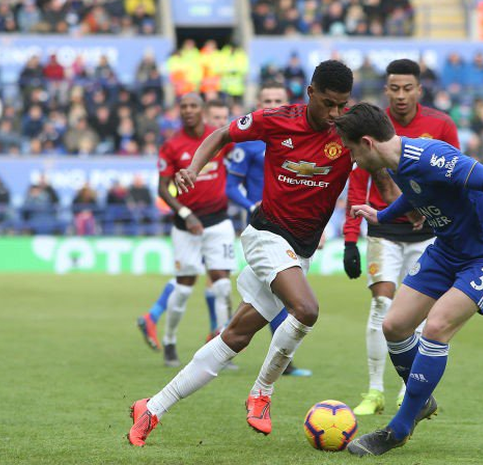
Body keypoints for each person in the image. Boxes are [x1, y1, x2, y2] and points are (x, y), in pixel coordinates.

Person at [128, 60, 369, 446]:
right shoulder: (277, 120)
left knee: (235, 337)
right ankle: (261, 393)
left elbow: (382, 161)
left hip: (299, 250)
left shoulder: (348, 131)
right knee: (306, 310)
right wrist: (192, 166)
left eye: (342, 105)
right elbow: (222, 134)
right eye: (328, 104)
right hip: (266, 236)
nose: (334, 114)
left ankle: (151, 408)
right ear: (310, 93)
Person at [332, 102, 483, 456]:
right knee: (394, 325)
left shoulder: (428, 155)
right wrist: (384, 214)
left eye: (351, 149)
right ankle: (420, 400)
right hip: (447, 249)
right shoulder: (399, 163)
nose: (352, 159)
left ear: (367, 142)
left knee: (435, 328)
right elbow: (418, 192)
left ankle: (399, 427)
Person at [343, 58, 460, 415]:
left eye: (407, 88)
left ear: (419, 90)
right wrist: (350, 238)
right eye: (394, 88)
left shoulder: (441, 124)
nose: (401, 95)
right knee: (381, 305)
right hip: (383, 229)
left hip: (428, 234)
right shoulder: (374, 125)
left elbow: (457, 176)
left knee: (419, 315)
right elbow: (359, 178)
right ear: (386, 90)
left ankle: (409, 391)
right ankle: (374, 390)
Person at [136, 93, 235, 368]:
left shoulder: (218, 138)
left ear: (202, 110)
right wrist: (185, 213)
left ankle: (221, 348)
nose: (188, 110)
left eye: (193, 106)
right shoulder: (172, 145)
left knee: (223, 285)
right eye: (184, 107)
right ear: (179, 111)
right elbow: (161, 189)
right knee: (183, 289)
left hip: (219, 221)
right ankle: (169, 340)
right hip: (185, 227)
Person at [226, 80, 312, 377]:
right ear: (258, 102)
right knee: (278, 295)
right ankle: (280, 364)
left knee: (264, 296)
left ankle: (222, 344)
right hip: (261, 226)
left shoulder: (299, 137)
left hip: (291, 225)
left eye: (278, 98)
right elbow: (230, 186)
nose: (272, 104)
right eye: (267, 99)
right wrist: (251, 205)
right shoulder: (248, 143)